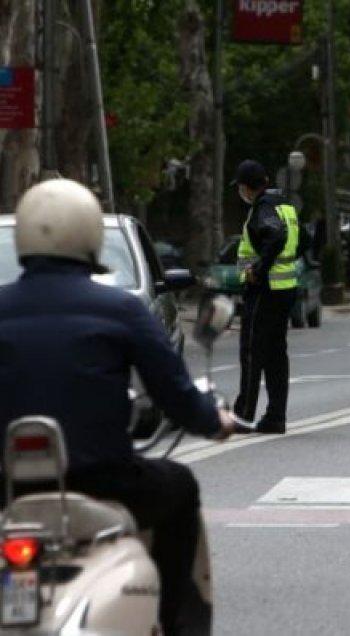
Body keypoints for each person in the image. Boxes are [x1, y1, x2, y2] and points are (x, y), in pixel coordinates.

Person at [0, 178, 235, 635]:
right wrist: (214, 418)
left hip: (8, 488)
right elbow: (177, 396)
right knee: (180, 487)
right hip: (104, 482)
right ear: (89, 237)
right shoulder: (120, 309)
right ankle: (175, 620)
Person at [231, 159, 310, 433]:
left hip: (264, 291)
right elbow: (306, 239)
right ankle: (276, 417)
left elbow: (274, 237)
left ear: (245, 187)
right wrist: (287, 262)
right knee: (276, 355)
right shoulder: (285, 205)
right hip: (286, 290)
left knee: (252, 352)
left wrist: (258, 268)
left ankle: (243, 415)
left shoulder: (263, 208)